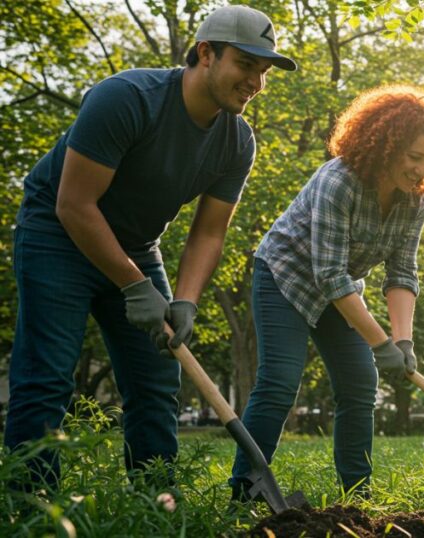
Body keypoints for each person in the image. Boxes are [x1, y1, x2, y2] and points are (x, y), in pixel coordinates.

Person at [4, 5, 296, 489]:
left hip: (136, 246)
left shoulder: (237, 141)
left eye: (263, 71)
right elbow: (74, 205)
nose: (256, 82)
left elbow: (208, 232)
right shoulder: (126, 98)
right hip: (55, 236)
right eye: (246, 65)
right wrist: (136, 287)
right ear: (206, 53)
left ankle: (156, 502)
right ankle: (31, 505)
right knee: (47, 376)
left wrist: (185, 299)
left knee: (157, 381)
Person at [229, 85, 424, 499]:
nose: (419, 170)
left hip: (339, 289)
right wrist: (380, 342)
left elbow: (402, 273)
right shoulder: (338, 182)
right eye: (414, 156)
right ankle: (242, 491)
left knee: (360, 382)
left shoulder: (414, 203)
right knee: (280, 382)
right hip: (285, 277)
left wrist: (403, 339)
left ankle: (356, 495)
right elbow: (329, 276)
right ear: (386, 145)